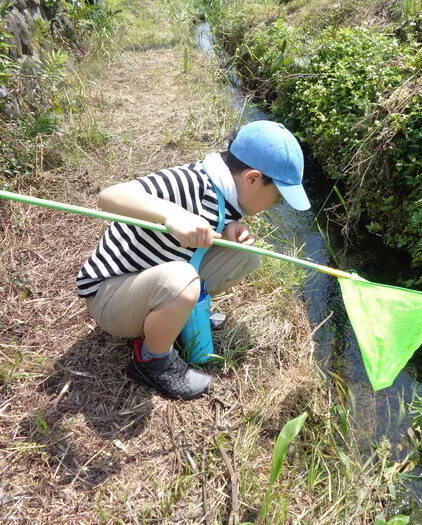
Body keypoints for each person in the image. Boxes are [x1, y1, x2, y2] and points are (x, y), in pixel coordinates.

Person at [75, 120, 310, 400]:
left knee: (244, 254)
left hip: (149, 282)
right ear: (252, 178)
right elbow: (109, 196)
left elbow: (213, 225)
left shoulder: (227, 194)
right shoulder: (189, 181)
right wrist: (171, 215)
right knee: (182, 280)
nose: (276, 204)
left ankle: (178, 315)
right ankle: (152, 360)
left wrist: (228, 230)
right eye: (278, 196)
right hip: (110, 298)